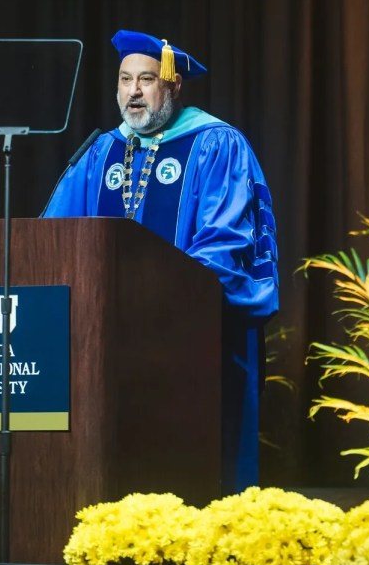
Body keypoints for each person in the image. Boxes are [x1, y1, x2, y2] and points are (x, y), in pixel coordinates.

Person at [42, 30, 279, 493]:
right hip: (106, 343)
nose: (133, 91)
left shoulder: (216, 144)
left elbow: (225, 243)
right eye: (125, 79)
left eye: (146, 79)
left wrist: (158, 298)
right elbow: (51, 240)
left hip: (198, 339)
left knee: (200, 474)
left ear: (172, 86)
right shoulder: (99, 152)